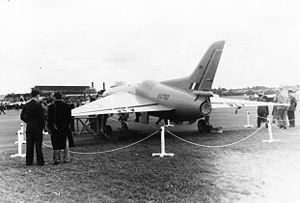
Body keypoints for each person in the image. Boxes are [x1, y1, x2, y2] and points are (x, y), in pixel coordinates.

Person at [20, 90, 45, 166]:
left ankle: (29, 161)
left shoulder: (27, 105)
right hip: (38, 127)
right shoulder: (38, 105)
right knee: (38, 145)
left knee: (29, 145)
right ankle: (40, 161)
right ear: (37, 96)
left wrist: (28, 121)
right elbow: (41, 118)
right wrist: (42, 126)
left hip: (30, 127)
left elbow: (22, 116)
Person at [47, 91, 71, 164]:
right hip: (64, 126)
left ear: (54, 97)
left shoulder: (51, 106)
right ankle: (66, 158)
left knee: (55, 143)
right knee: (64, 142)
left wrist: (49, 127)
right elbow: (69, 118)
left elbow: (49, 119)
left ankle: (56, 159)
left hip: (55, 127)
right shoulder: (66, 105)